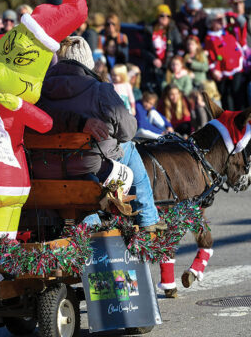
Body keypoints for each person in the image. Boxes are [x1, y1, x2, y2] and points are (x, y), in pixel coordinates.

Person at [35, 36, 165, 231]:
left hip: (46, 170)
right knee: (128, 146)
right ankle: (148, 218)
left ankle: (87, 224)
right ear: (87, 61)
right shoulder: (100, 90)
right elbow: (128, 131)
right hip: (89, 167)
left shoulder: (38, 89)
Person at [204, 10, 244, 111]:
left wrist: (230, 14)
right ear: (211, 22)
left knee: (238, 93)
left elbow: (242, 23)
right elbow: (210, 56)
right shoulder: (209, 38)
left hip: (236, 68)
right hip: (221, 72)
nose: (221, 21)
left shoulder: (229, 31)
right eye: (217, 20)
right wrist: (214, 70)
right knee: (226, 96)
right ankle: (230, 120)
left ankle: (242, 119)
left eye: (221, 19)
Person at [147, 4, 182, 79]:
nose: (165, 18)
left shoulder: (172, 29)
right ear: (157, 17)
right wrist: (153, 59)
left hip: (170, 66)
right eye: (162, 15)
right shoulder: (149, 30)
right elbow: (144, 49)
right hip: (153, 66)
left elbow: (179, 45)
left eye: (168, 16)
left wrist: (174, 61)